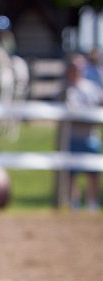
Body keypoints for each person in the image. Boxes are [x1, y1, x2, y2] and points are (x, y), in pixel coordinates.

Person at [60, 53, 102, 211]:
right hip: (72, 136)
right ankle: (73, 204)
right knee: (72, 174)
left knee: (93, 174)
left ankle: (92, 204)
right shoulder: (66, 89)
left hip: (91, 137)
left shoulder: (92, 87)